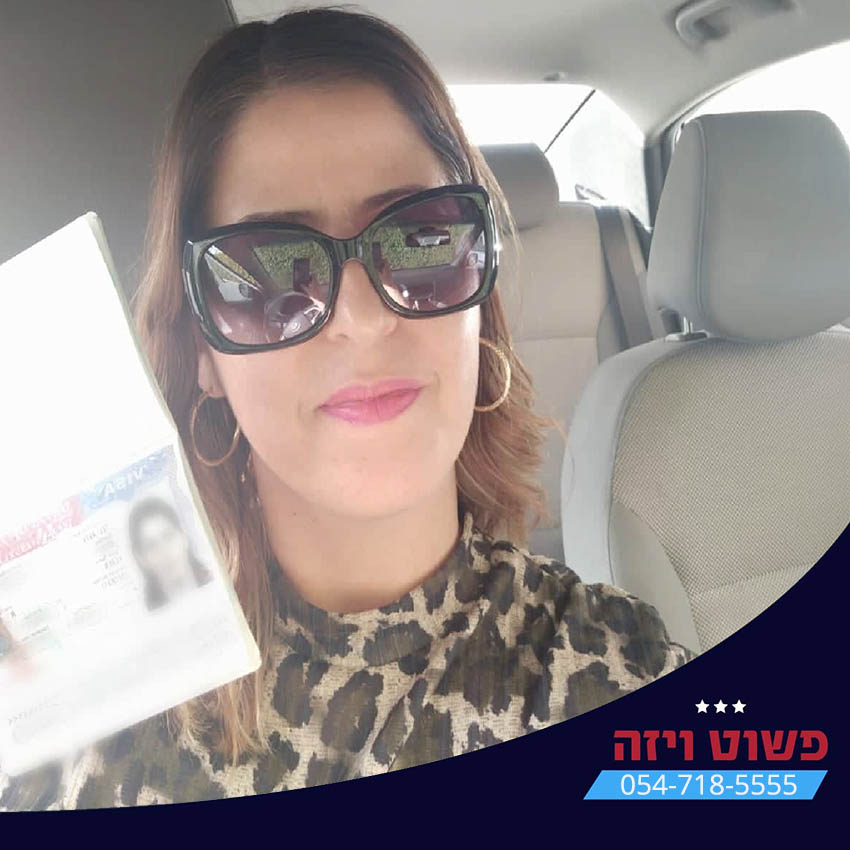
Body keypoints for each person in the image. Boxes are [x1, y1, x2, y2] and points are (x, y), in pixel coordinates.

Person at [0, 6, 695, 810]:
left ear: (479, 299)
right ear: (202, 351)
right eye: (270, 272)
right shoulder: (81, 717)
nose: (362, 321)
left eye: (421, 240)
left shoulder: (617, 675)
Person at [127, 497, 212, 610]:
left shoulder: (219, 582)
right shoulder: (145, 616)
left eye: (168, 536)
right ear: (141, 558)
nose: (164, 551)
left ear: (184, 536)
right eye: (152, 545)